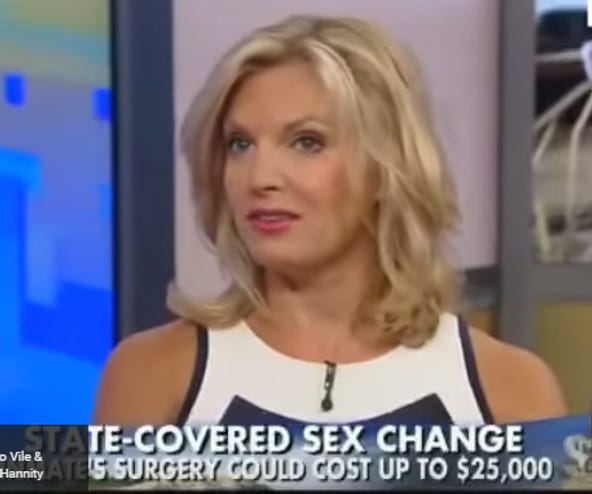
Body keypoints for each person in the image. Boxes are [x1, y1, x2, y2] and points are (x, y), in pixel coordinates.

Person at [94, 15, 566, 427]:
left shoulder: (512, 390)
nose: (260, 178)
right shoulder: (152, 376)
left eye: (306, 142)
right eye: (240, 144)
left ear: (386, 168)